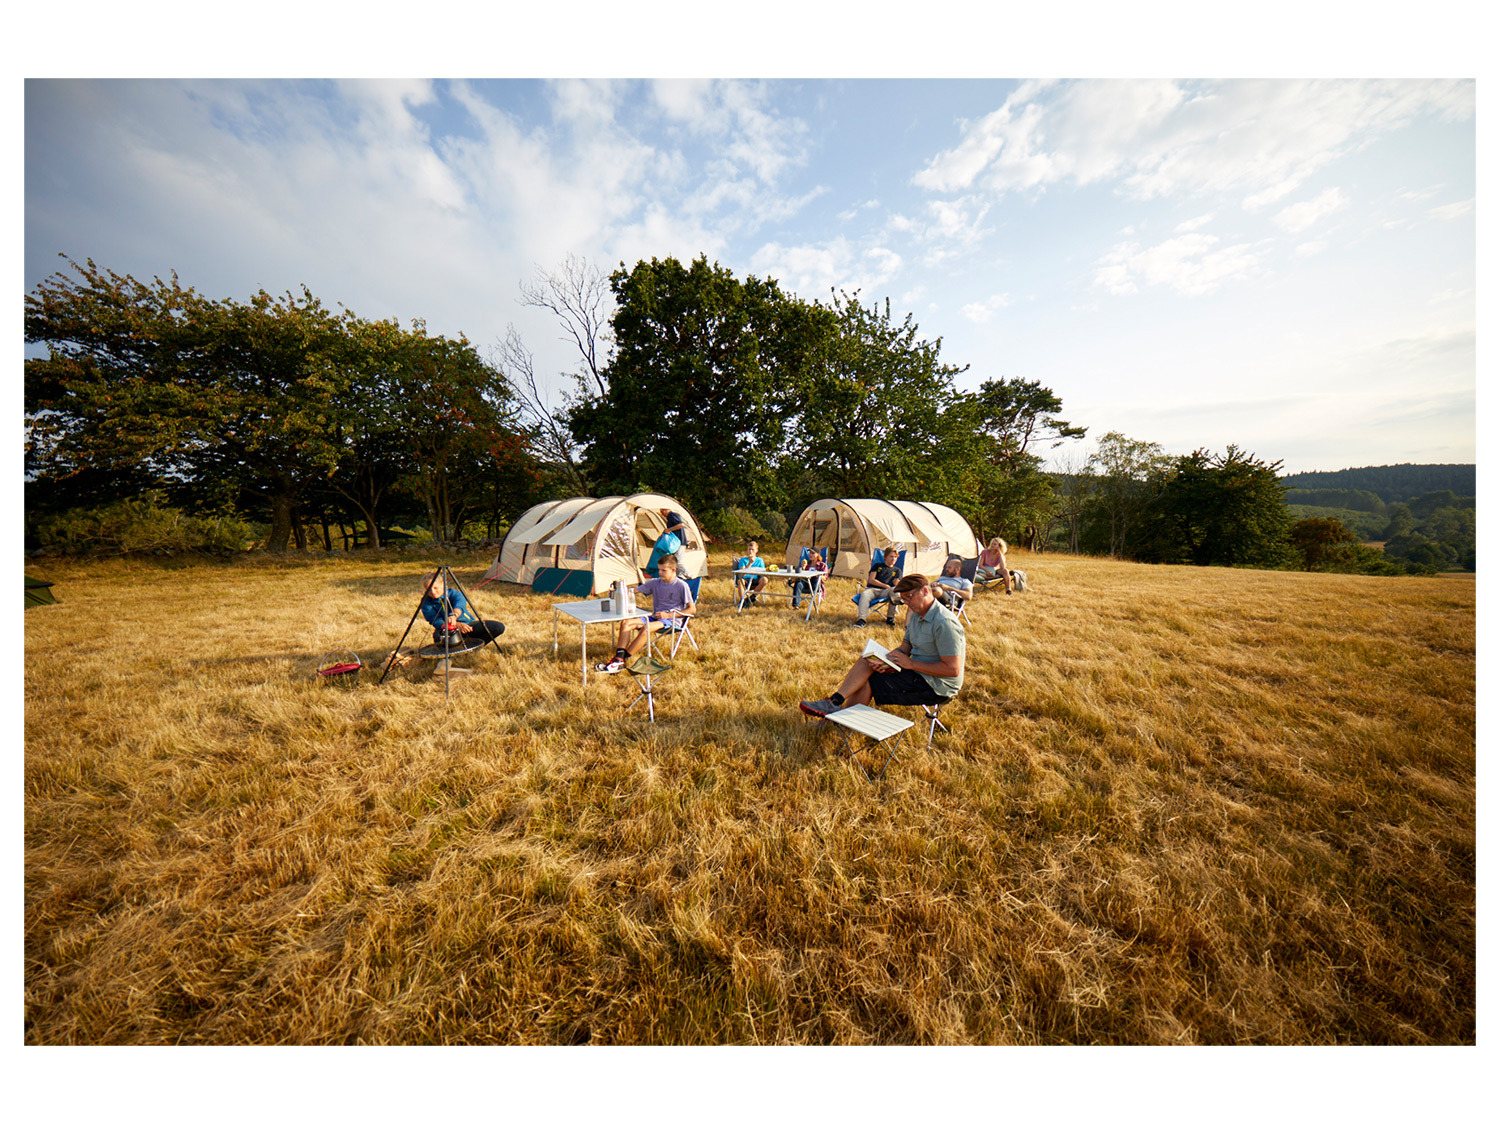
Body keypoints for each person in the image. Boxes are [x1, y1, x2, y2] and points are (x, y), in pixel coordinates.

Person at [801, 573, 965, 716]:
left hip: (937, 686)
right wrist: (886, 660)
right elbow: (905, 647)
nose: (907, 602)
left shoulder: (944, 623)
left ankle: (836, 721)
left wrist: (911, 664)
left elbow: (952, 670)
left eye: (909, 597)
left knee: (869, 681)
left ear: (925, 591)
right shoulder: (917, 614)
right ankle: (834, 702)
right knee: (867, 660)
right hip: (917, 672)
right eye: (903, 599)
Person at [595, 554, 695, 674]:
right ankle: (618, 660)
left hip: (671, 620)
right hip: (655, 617)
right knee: (626, 623)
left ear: (673, 570)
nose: (660, 573)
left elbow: (692, 610)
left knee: (647, 627)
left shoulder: (681, 586)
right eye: (659, 569)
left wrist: (668, 615)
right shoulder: (655, 583)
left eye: (664, 570)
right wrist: (618, 589)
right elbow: (634, 591)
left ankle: (621, 661)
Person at [419, 572, 506, 648]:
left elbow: (459, 605)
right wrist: (456, 625)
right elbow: (434, 620)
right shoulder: (426, 601)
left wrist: (454, 616)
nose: (433, 592)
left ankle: (473, 646)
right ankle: (453, 651)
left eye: (435, 588)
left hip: (468, 625)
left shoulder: (453, 593)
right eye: (428, 589)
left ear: (443, 585)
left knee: (497, 627)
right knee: (438, 637)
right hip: (446, 630)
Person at [854, 546, 902, 627]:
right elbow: (871, 580)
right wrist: (885, 586)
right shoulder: (878, 566)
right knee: (865, 594)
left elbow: (899, 585)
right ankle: (861, 620)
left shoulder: (897, 571)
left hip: (886, 592)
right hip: (873, 590)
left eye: (895, 557)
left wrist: (898, 584)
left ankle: (890, 618)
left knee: (895, 591)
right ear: (885, 557)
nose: (893, 559)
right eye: (891, 556)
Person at [734, 540, 769, 606]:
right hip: (745, 579)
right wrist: (750, 563)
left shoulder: (760, 560)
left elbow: (763, 573)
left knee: (765, 579)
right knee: (740, 581)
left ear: (756, 550)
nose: (750, 551)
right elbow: (743, 574)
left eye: (752, 549)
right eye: (749, 549)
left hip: (756, 579)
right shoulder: (743, 560)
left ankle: (752, 598)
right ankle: (743, 600)